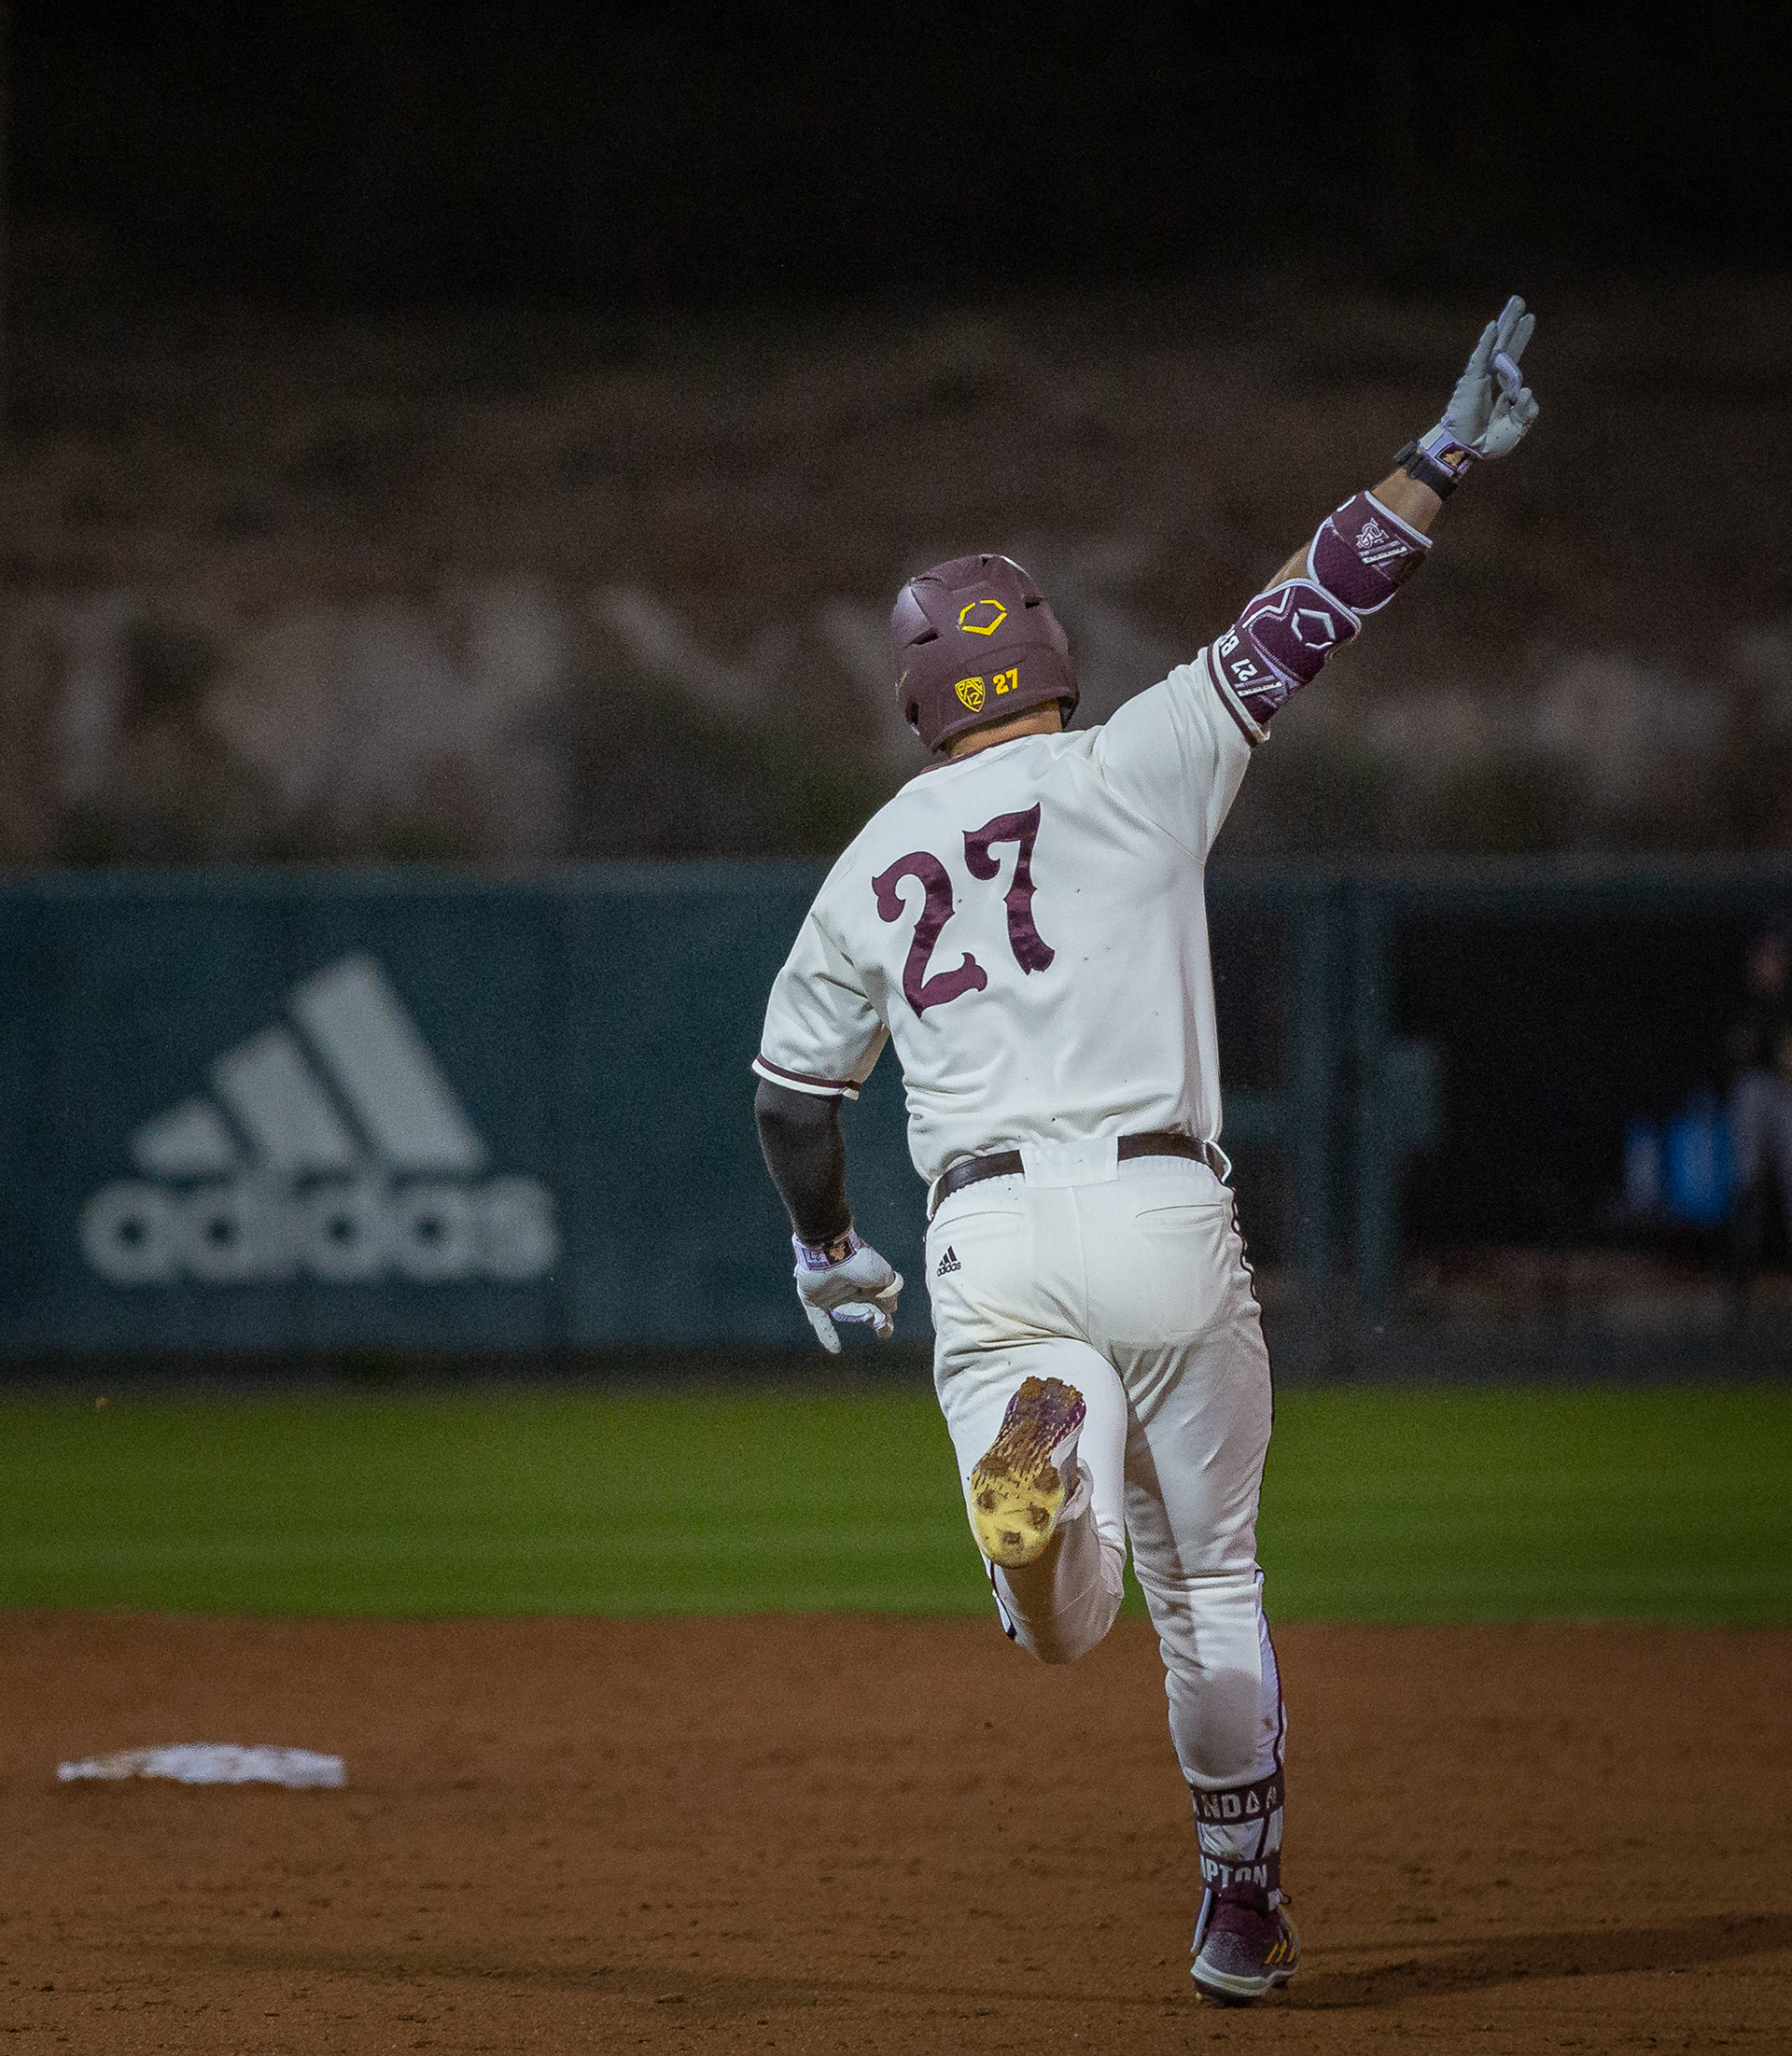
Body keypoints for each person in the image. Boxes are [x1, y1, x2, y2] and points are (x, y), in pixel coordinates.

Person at [751, 300, 1540, 2006]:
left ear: (913, 697)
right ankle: (1240, 1913)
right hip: (1170, 1205)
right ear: (1047, 653)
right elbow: (1308, 608)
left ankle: (1056, 1448)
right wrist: (1441, 454)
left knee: (1061, 1619)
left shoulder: (871, 859)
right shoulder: (1144, 760)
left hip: (984, 1237)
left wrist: (826, 1249)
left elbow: (790, 1105)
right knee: (1214, 1584)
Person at [1727, 926, 1792, 1309]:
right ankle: (1741, 1274)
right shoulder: (1744, 1001)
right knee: (1747, 1180)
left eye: (1775, 956)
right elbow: (1737, 1051)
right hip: (1759, 1087)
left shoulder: (1787, 999)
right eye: (1762, 956)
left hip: (1786, 1091)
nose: (1767, 964)